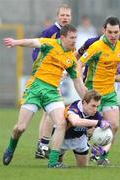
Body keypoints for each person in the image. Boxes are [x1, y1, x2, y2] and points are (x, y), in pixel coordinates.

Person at [2, 24, 86, 168]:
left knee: (61, 124)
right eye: (72, 38)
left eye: (75, 38)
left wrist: (87, 100)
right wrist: (16, 42)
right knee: (20, 128)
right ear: (63, 37)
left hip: (52, 92)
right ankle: (11, 147)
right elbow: (33, 42)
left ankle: (53, 162)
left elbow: (77, 82)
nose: (74, 41)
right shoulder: (51, 44)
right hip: (35, 88)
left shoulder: (71, 58)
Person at [78, 16, 120, 165]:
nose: (113, 35)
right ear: (104, 30)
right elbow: (80, 63)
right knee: (89, 129)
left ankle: (100, 155)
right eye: (110, 32)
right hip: (93, 93)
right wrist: (79, 82)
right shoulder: (96, 47)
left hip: (109, 93)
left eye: (116, 32)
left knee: (114, 125)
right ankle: (71, 145)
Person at [31, 4, 73, 159]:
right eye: (62, 15)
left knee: (47, 113)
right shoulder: (50, 32)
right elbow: (37, 51)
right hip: (47, 77)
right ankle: (43, 145)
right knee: (52, 111)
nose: (65, 18)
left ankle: (41, 147)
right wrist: (42, 69)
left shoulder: (69, 33)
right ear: (58, 16)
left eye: (67, 15)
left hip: (56, 77)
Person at [59, 90, 110, 167]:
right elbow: (75, 122)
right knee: (57, 165)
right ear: (84, 103)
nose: (95, 109)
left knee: (83, 167)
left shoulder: (95, 113)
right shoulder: (74, 108)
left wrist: (102, 149)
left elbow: (107, 133)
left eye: (97, 106)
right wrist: (98, 123)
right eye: (93, 106)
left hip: (79, 139)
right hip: (62, 138)